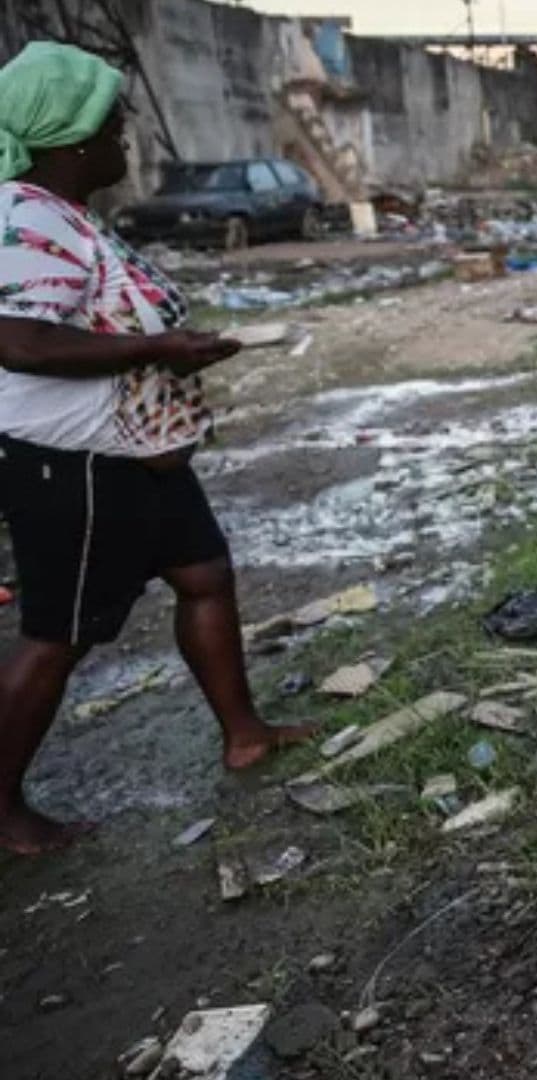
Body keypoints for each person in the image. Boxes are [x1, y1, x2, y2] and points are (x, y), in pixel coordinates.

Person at [0, 42, 316, 856]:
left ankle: (243, 731)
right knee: (58, 635)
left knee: (204, 575)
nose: (126, 135)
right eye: (113, 122)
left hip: (137, 450)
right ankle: (1, 807)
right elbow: (20, 341)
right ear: (69, 138)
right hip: (74, 464)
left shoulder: (64, 218)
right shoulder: (25, 217)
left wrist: (170, 346)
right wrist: (161, 352)